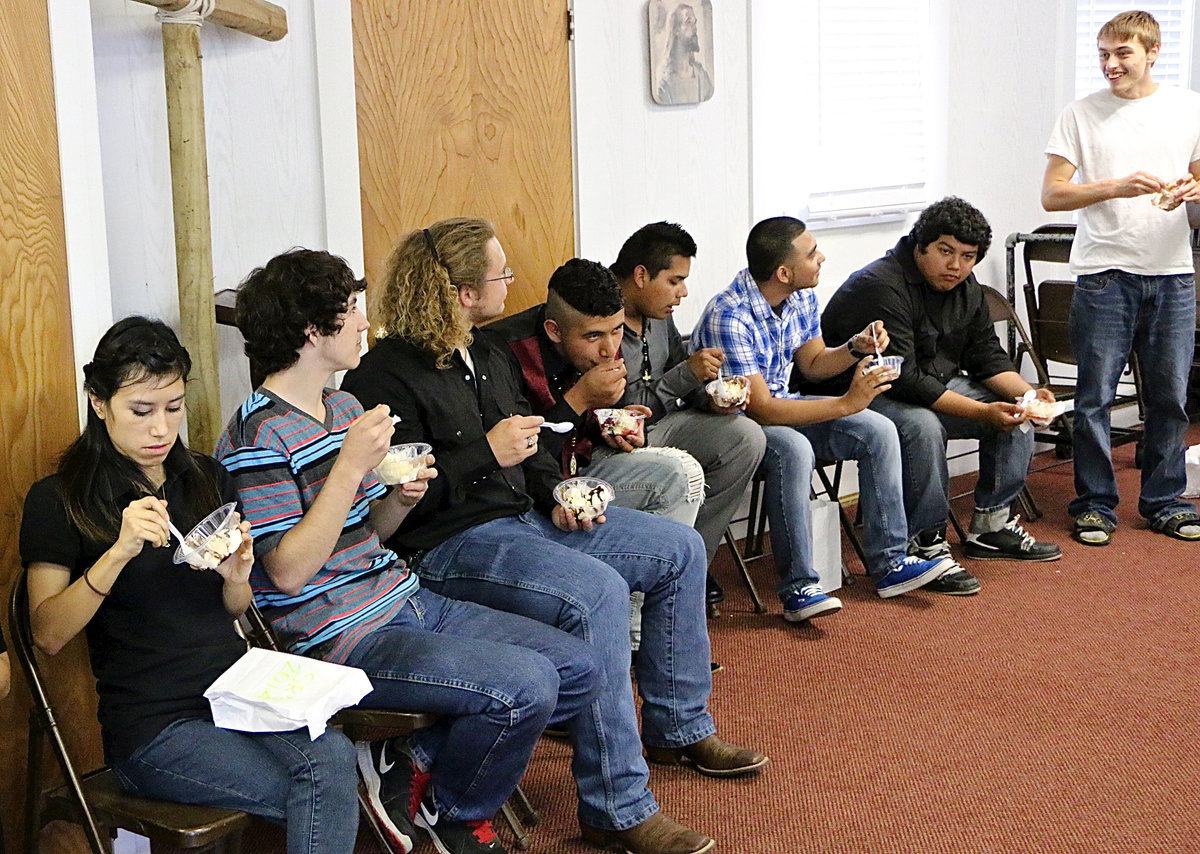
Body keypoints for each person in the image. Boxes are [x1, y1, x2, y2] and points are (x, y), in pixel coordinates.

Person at [341, 217, 767, 854]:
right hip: (445, 545)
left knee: (676, 549)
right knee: (596, 592)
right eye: (500, 274)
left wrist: (558, 491)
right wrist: (486, 453)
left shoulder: (485, 353)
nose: (511, 283)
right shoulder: (384, 373)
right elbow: (396, 496)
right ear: (461, 290)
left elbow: (533, 448)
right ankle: (616, 806)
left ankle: (677, 725)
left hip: (522, 518)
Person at [215, 250, 603, 854]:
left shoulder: (343, 407)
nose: (365, 324)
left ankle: (407, 766)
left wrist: (398, 498)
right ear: (312, 332)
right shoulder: (256, 434)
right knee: (525, 683)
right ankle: (450, 816)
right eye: (350, 313)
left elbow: (372, 533)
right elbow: (288, 572)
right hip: (334, 637)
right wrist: (348, 467)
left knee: (580, 669)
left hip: (400, 593)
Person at [19, 317, 360, 854]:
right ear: (98, 402)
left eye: (173, 408)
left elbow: (233, 608)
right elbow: (48, 633)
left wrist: (238, 577)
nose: (160, 429)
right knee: (323, 787)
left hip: (237, 694)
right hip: (153, 726)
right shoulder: (60, 499)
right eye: (141, 410)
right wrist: (118, 552)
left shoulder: (203, 477)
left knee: (334, 757)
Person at [691, 216, 953, 621]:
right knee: (794, 447)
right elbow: (762, 409)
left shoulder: (798, 296)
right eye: (812, 254)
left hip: (786, 407)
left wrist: (854, 347)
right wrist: (848, 403)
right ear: (783, 272)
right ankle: (799, 587)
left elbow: (812, 365)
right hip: (739, 427)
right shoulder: (730, 315)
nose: (821, 258)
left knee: (879, 429)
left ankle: (890, 564)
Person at [811, 198, 1062, 593]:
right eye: (946, 252)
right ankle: (924, 541)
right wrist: (982, 411)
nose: (956, 266)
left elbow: (986, 355)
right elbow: (906, 378)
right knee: (922, 426)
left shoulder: (967, 287)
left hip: (928, 382)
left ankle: (992, 527)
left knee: (1018, 413)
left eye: (968, 257)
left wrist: (1029, 394)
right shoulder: (880, 285)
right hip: (856, 392)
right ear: (920, 245)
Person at [1042, 10, 1200, 547]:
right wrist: (1115, 187)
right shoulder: (1080, 114)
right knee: (1094, 399)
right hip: (1104, 274)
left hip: (1172, 274)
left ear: (1153, 52)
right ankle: (1094, 503)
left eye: (1122, 53)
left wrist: (1194, 192)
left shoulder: (1187, 107)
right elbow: (1053, 194)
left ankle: (1164, 501)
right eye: (1104, 53)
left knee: (1170, 398)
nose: (1110, 64)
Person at [609, 222, 767, 611]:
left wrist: (711, 397)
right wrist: (686, 376)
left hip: (664, 426)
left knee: (745, 437)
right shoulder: (600, 316)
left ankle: (691, 565)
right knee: (676, 469)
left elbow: (678, 371)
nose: (683, 293)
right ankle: (654, 578)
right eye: (675, 280)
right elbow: (623, 411)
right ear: (641, 275)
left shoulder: (657, 311)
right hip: (615, 440)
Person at [490, 257, 704, 529]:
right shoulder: (503, 352)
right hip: (530, 498)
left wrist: (614, 423)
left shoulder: (606, 339)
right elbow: (519, 462)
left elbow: (596, 426)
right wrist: (578, 400)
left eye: (617, 331)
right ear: (554, 330)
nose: (608, 348)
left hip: (585, 468)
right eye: (593, 336)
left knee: (682, 474)